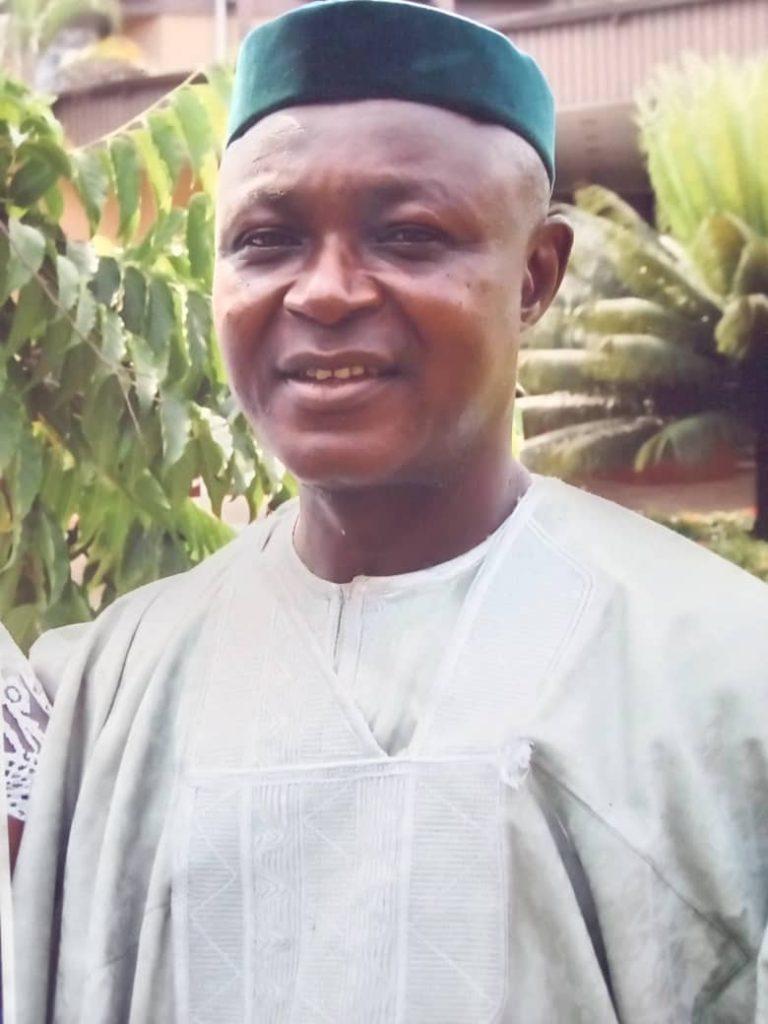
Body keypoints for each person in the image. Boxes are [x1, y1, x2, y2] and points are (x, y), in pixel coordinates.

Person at [12, 2, 768, 1021]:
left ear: (535, 274)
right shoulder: (106, 689)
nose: (323, 292)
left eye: (409, 235)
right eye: (267, 240)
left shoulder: (722, 673)